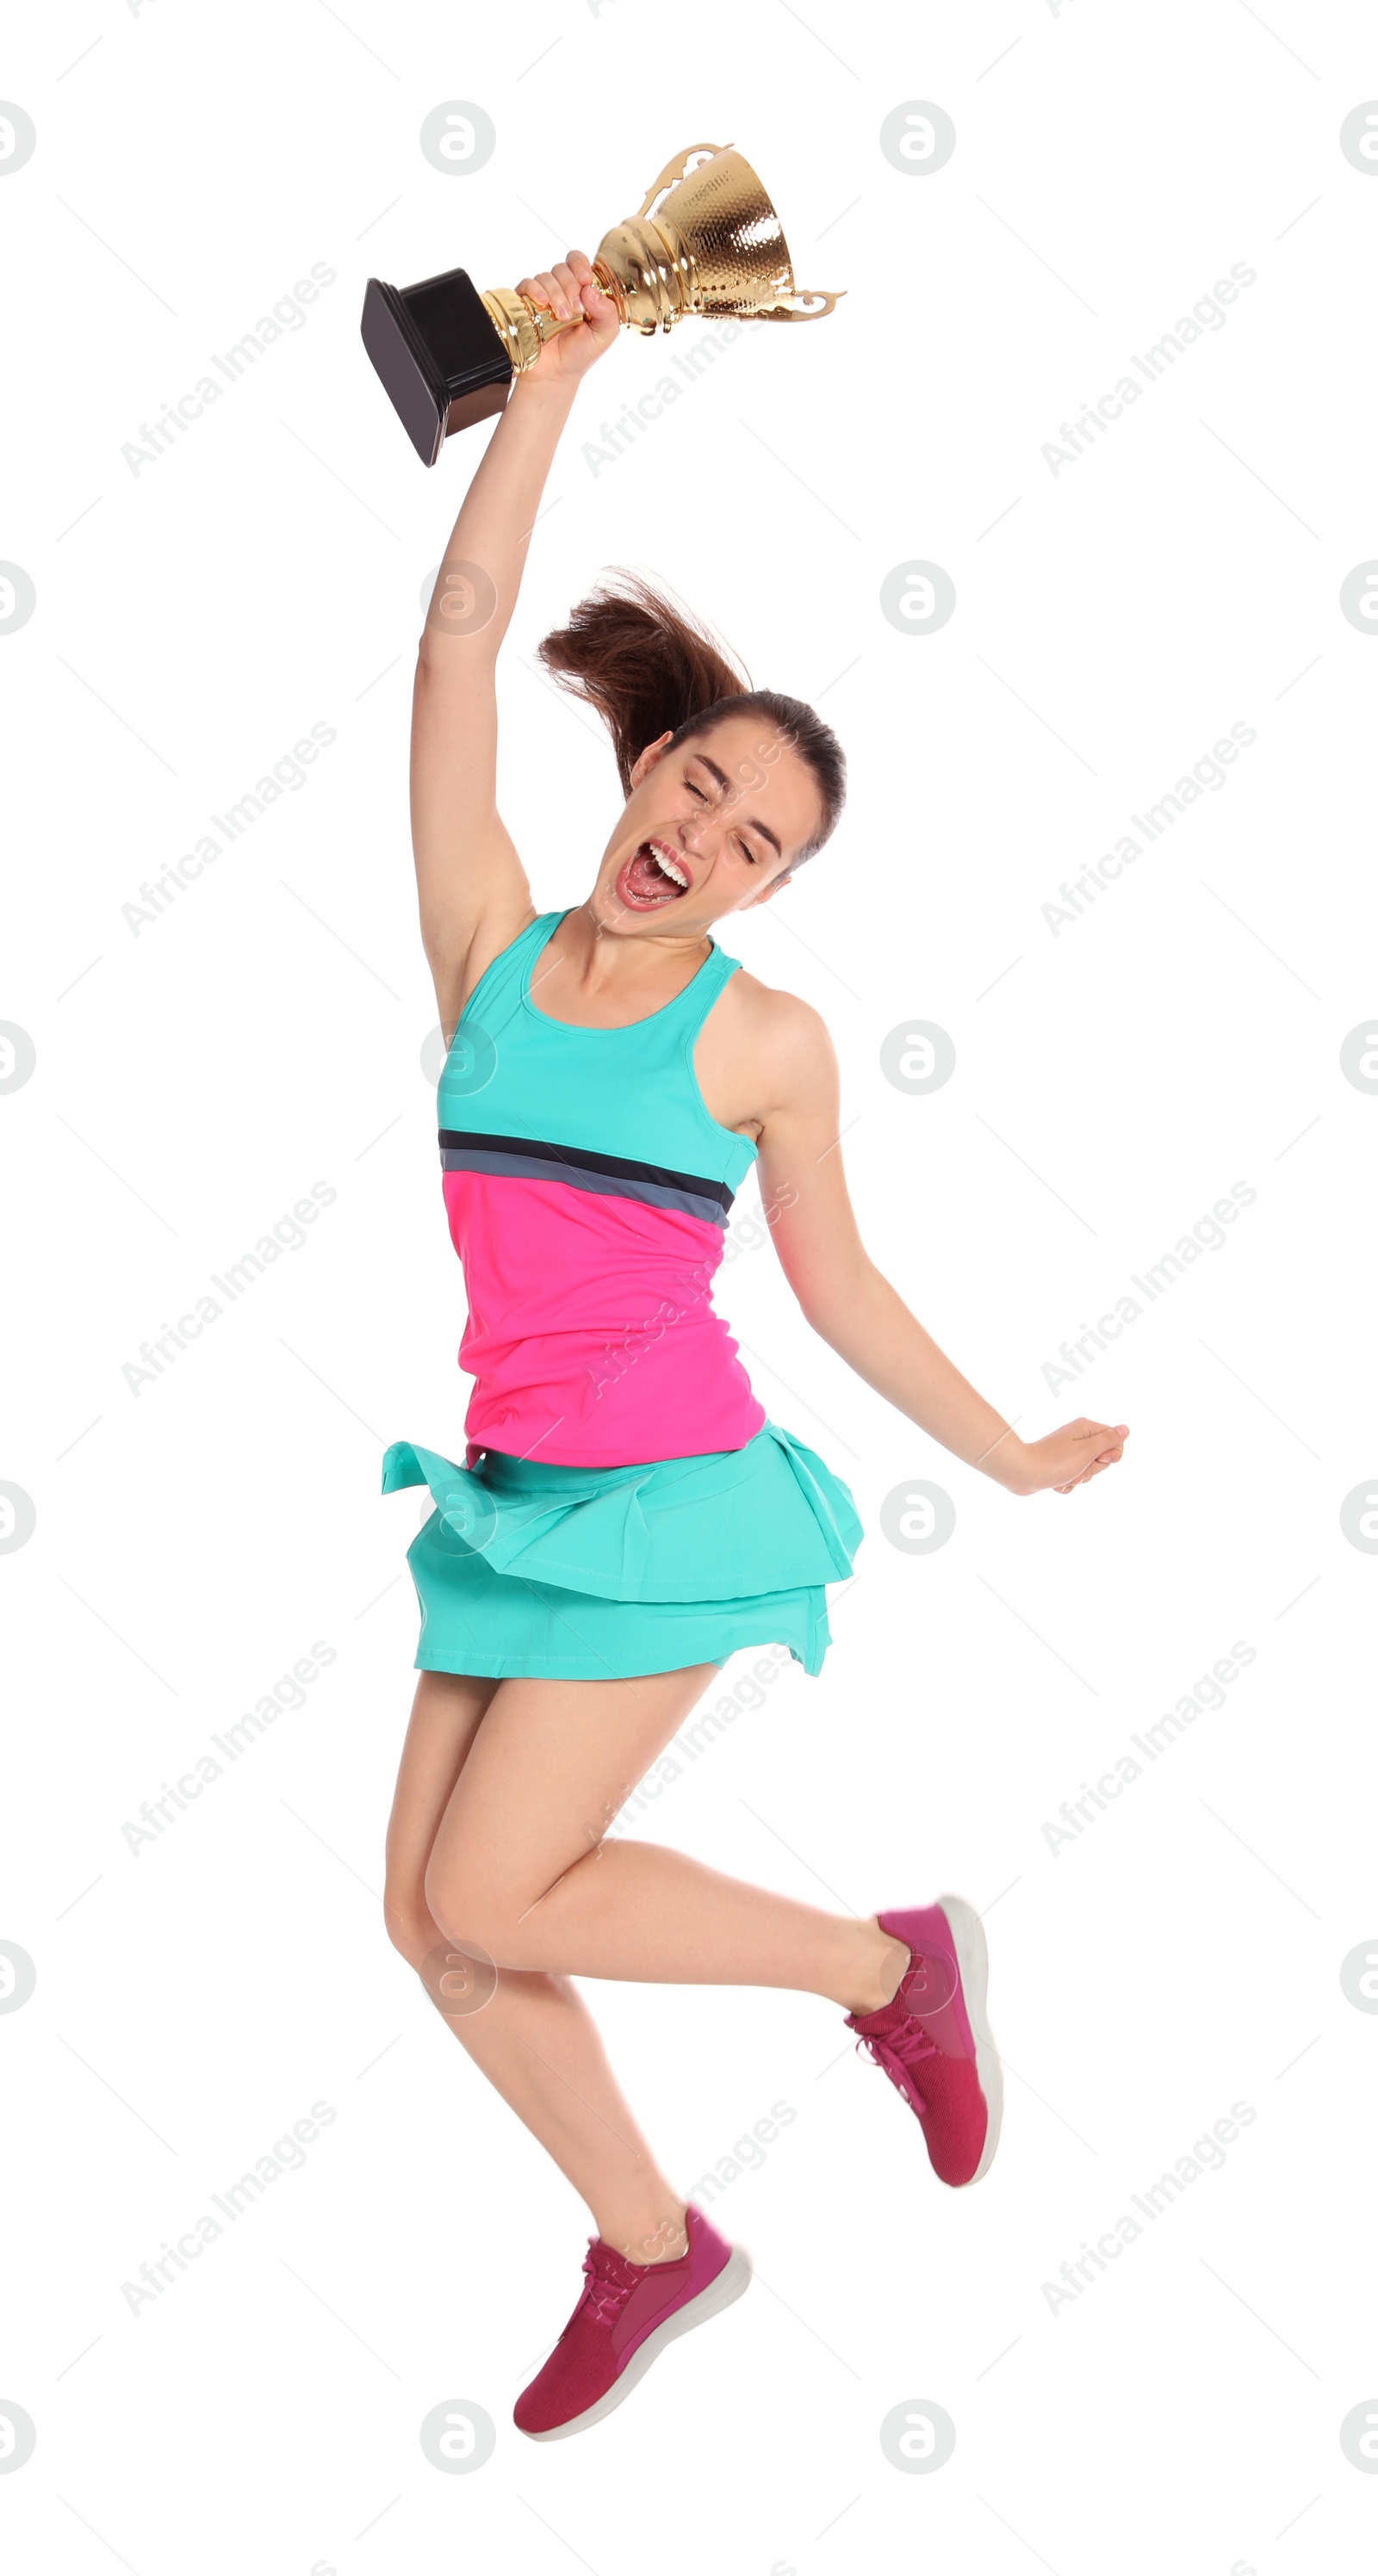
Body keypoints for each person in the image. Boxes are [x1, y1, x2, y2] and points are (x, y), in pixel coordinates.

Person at [381, 248, 1130, 2443]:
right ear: (642, 764)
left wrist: (1003, 1448)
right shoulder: (484, 950)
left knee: (484, 1882)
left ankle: (887, 1966)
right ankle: (650, 2245)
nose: (692, 837)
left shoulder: (761, 1043)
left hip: (673, 1501)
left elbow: (841, 1290)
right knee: (434, 1933)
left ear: (766, 894)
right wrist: (551, 382)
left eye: (749, 841)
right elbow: (446, 648)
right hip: (517, 1488)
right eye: (690, 785)